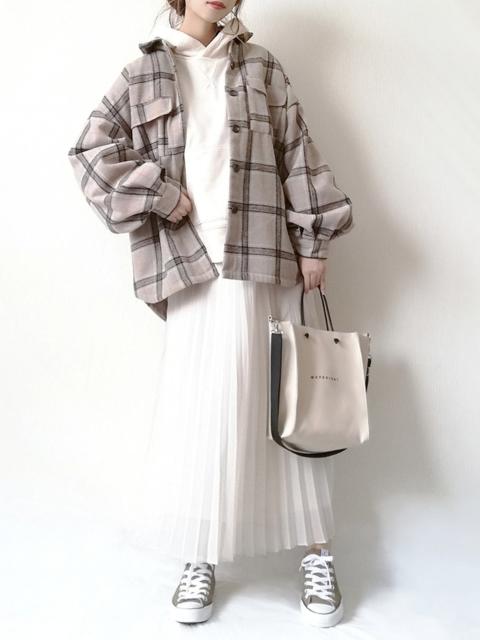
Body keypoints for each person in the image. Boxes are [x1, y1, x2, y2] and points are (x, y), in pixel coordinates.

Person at [67, 0, 354, 629]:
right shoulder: (142, 73)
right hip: (191, 265)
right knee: (201, 411)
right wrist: (161, 194)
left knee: (286, 407)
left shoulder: (261, 66)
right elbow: (89, 152)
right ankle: (200, 556)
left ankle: (318, 553)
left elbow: (298, 155)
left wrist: (313, 242)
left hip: (266, 254)